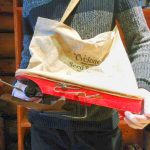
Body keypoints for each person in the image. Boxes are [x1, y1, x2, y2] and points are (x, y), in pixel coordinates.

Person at [12, 0, 150, 149]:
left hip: (99, 130)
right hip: (43, 129)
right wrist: (23, 86)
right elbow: (29, 51)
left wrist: (142, 89)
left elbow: (141, 40)